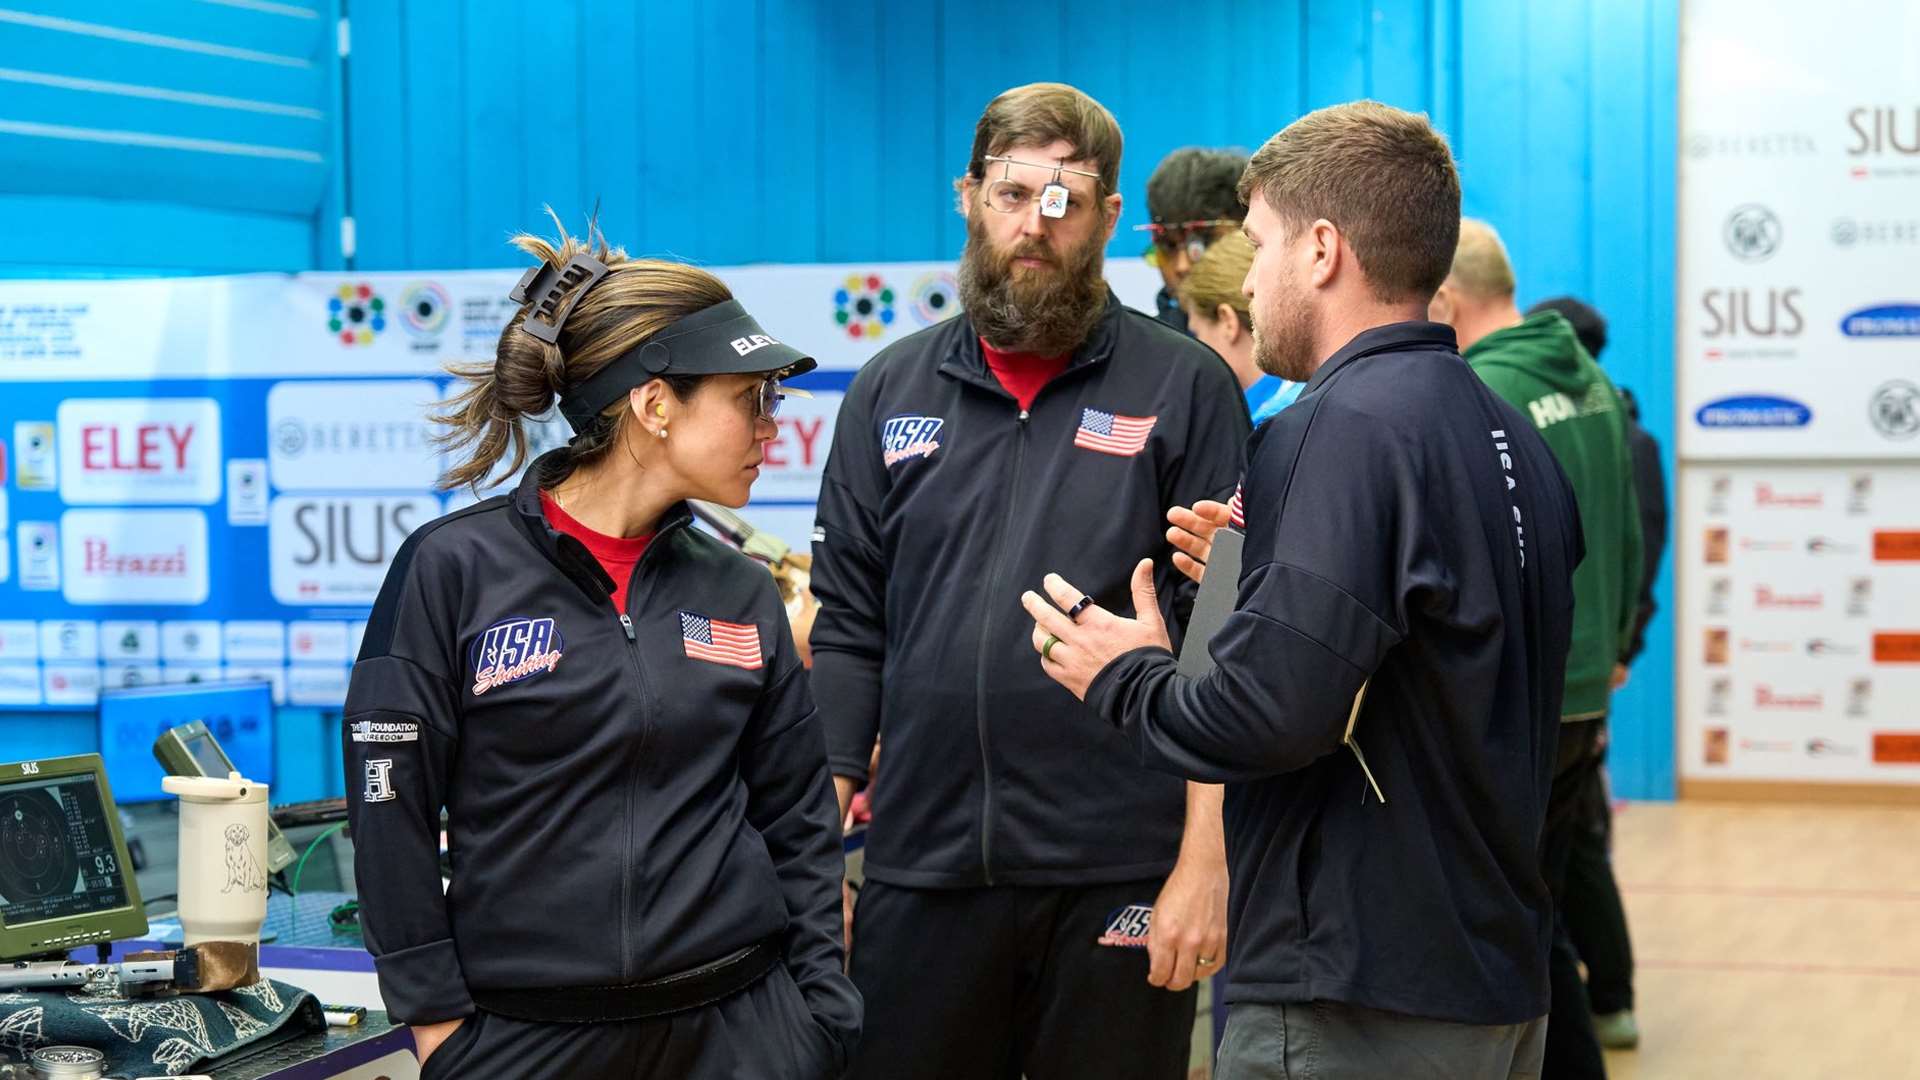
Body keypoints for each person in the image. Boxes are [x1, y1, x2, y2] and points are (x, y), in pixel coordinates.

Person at [1020, 101, 1580, 1078]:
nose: (1255, 272)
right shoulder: (1510, 437)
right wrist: (1254, 576)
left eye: (1262, 242)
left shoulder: (1338, 429)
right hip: (1491, 984)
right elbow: (1422, 658)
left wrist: (1127, 672)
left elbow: (1266, 717)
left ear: (1322, 250)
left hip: (1361, 992)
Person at [342, 222, 860, 1079]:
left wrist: (818, 1018)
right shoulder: (451, 572)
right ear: (656, 405)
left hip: (744, 1032)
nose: (774, 426)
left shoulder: (737, 588)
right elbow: (387, 811)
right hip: (530, 1040)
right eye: (752, 397)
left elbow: (799, 822)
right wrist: (439, 1030)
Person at [809, 82, 1251, 1079]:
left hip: (1117, 872)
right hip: (921, 868)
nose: (1034, 223)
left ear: (1104, 218)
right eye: (1013, 193)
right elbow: (846, 628)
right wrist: (814, 845)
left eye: (1065, 199)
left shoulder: (1185, 387)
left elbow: (1219, 643)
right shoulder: (888, 391)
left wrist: (1205, 858)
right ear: (969, 197)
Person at [1431, 221, 1645, 1079]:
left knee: (1511, 930)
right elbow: (1626, 528)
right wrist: (1617, 645)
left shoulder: (1485, 393)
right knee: (1540, 916)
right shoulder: (1589, 378)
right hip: (1585, 685)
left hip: (1525, 698)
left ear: (1443, 298)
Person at [1527, 294, 1666, 1051]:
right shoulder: (1612, 425)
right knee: (1572, 855)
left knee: (1575, 855)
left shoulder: (1621, 434)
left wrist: (1620, 647)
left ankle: (1607, 999)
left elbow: (1633, 546)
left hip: (1579, 682)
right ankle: (1601, 1004)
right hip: (1577, 678)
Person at [1177, 231, 1304, 422]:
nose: (1195, 348)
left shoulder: (1257, 427)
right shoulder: (1315, 392)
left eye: (1197, 334)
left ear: (1228, 321)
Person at [1142, 146, 1249, 335]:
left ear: (1249, 233)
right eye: (1169, 245)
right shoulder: (1142, 346)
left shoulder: (1292, 343)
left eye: (1202, 242)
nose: (1182, 266)